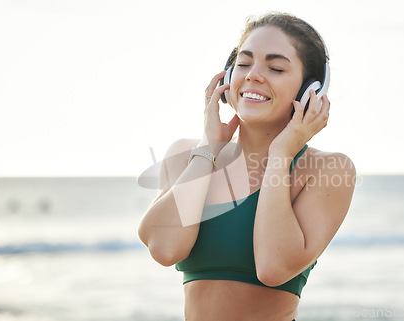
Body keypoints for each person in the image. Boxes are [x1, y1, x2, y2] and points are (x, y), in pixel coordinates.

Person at [138, 12, 356, 321]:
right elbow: (164, 247)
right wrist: (210, 148)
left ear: (311, 89)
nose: (253, 75)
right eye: (243, 63)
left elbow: (273, 267)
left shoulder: (328, 169)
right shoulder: (189, 153)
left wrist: (280, 155)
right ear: (228, 76)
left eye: (276, 67)